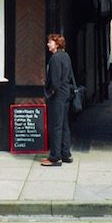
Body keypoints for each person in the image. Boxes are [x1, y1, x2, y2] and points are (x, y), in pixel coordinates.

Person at [41, 33, 74, 166]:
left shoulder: (54, 58)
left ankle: (55, 157)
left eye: (50, 42)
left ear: (57, 44)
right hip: (66, 94)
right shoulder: (66, 56)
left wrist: (49, 93)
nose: (48, 44)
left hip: (58, 96)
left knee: (56, 126)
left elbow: (55, 81)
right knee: (65, 125)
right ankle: (66, 154)